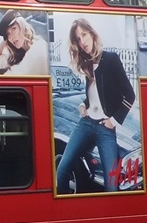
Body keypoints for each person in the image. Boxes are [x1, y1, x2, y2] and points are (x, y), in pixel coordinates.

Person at [55, 18, 136, 194]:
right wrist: (84, 105)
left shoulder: (111, 59)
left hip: (105, 129)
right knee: (62, 170)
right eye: (78, 39)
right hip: (85, 124)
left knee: (111, 185)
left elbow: (130, 94)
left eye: (84, 35)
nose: (82, 42)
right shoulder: (87, 63)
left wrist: (114, 121)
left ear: (92, 34)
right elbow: (96, 95)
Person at [0, 10, 48, 76]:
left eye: (14, 29)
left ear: (22, 27)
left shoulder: (38, 47)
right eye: (8, 34)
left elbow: (17, 75)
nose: (11, 37)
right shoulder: (16, 54)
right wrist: (5, 39)